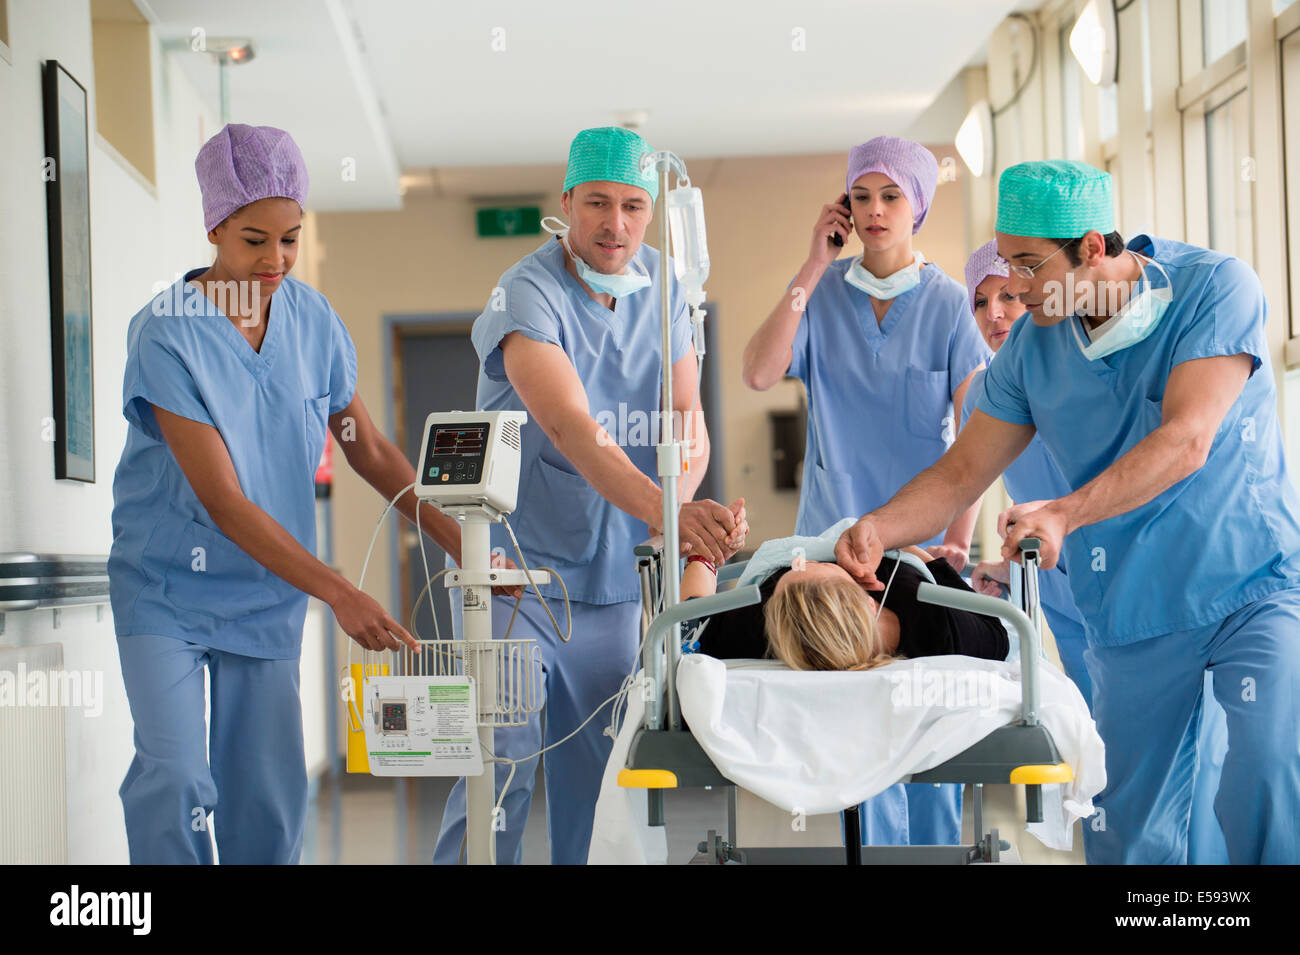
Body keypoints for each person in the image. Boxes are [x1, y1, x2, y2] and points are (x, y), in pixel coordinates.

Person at [836, 159, 1300, 864]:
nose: (1014, 287)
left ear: (1090, 247)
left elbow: (1187, 438)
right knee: (1128, 829)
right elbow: (961, 471)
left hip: (1251, 583)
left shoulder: (1215, 288)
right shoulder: (1032, 351)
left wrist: (1065, 513)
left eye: (1027, 265)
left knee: (1263, 769)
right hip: (1137, 611)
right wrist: (877, 525)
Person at [108, 124, 476, 864]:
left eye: (290, 238)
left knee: (266, 804)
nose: (274, 260)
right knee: (175, 777)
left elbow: (364, 446)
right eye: (252, 240)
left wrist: (453, 531)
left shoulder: (313, 324)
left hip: (266, 594)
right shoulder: (165, 335)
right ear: (213, 226)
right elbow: (223, 499)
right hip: (165, 588)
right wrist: (337, 589)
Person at [432, 126, 747, 865]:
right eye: (598, 203)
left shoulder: (668, 289)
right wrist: (670, 513)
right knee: (499, 763)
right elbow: (572, 427)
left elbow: (686, 418)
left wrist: (686, 508)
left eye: (635, 206)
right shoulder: (529, 293)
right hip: (515, 578)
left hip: (608, 586)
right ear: (566, 201)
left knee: (603, 780)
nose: (617, 224)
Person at [742, 135, 990, 845]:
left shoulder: (946, 306)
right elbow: (760, 373)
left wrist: (959, 537)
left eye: (890, 196)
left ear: (917, 205)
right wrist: (815, 262)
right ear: (843, 207)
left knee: (928, 720)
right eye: (861, 196)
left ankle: (937, 855)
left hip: (917, 552)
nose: (875, 210)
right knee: (861, 730)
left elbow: (979, 438)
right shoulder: (818, 297)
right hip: (831, 551)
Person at [959, 240, 1229, 863]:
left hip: (1143, 588)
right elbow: (989, 484)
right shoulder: (988, 394)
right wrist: (1000, 563)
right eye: (982, 300)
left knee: (1189, 759)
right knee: (1105, 763)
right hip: (1064, 598)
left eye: (1011, 290)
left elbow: (1130, 472)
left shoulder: (1089, 366)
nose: (999, 310)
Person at [680, 520, 1007, 669]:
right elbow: (997, 630)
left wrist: (706, 552)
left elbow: (689, 619)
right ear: (868, 595)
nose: (803, 559)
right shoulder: (945, 627)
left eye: (798, 565)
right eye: (816, 564)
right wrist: (894, 541)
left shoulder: (758, 625)